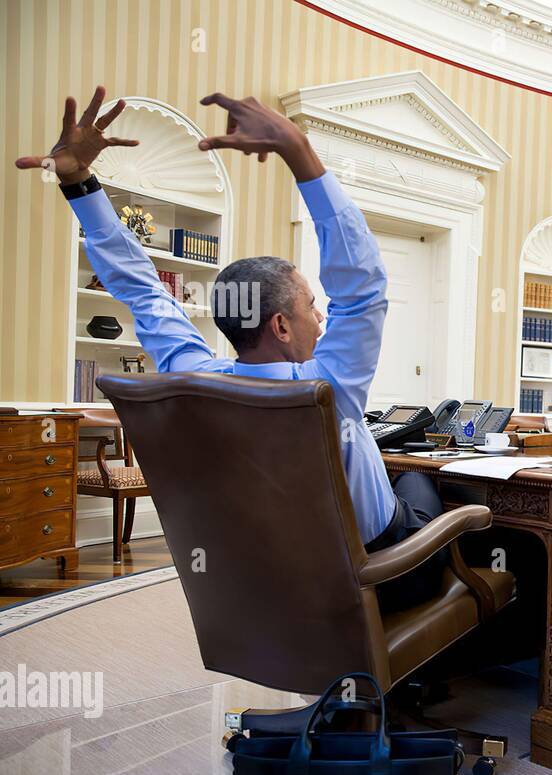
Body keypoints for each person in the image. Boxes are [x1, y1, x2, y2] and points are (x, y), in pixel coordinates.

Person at [16, 86, 443, 610]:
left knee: (395, 474)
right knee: (430, 493)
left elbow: (141, 289)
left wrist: (80, 184)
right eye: (313, 305)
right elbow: (364, 289)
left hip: (271, 584)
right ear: (283, 326)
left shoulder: (194, 378)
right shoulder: (329, 385)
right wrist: (299, 153)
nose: (323, 314)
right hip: (378, 578)